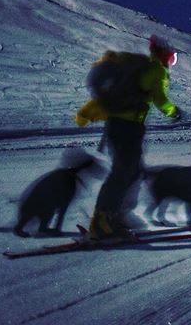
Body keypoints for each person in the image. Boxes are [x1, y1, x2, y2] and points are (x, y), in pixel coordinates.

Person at [77, 35, 183, 238]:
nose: (171, 63)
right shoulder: (156, 70)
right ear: (165, 55)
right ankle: (101, 221)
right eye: (172, 58)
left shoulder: (140, 68)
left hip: (119, 126)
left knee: (131, 173)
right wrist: (174, 111)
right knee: (123, 173)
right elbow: (160, 99)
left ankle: (115, 217)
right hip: (128, 127)